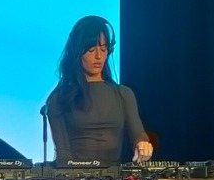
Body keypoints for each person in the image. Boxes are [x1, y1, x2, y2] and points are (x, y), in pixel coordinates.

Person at [44, 16, 152, 165]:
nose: (99, 56)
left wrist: (142, 144)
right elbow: (63, 156)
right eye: (91, 50)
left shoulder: (124, 94)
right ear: (77, 52)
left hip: (115, 177)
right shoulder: (59, 99)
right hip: (74, 178)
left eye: (103, 49)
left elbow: (138, 134)